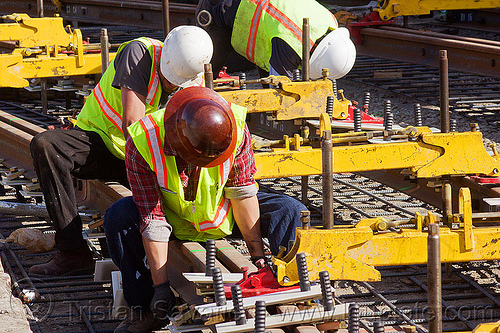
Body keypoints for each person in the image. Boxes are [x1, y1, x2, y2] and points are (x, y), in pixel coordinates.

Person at [104, 86, 307, 332]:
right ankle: (146, 309)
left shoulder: (235, 129)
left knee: (290, 210)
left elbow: (242, 194)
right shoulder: (142, 143)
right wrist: (161, 287)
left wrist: (258, 260)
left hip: (224, 214)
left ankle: (289, 289)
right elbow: (152, 217)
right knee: (118, 217)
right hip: (173, 219)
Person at [28, 25, 214, 277]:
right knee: (46, 146)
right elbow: (132, 126)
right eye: (169, 77)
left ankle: (190, 235)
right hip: (102, 144)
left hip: (146, 156)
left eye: (176, 81)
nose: (171, 85)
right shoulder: (138, 54)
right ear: (166, 57)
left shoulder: (193, 76)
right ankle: (73, 252)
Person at [195, 0, 356, 80]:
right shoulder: (291, 44)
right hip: (219, 12)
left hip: (242, 13)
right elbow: (278, 89)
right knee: (202, 76)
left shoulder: (330, 21)